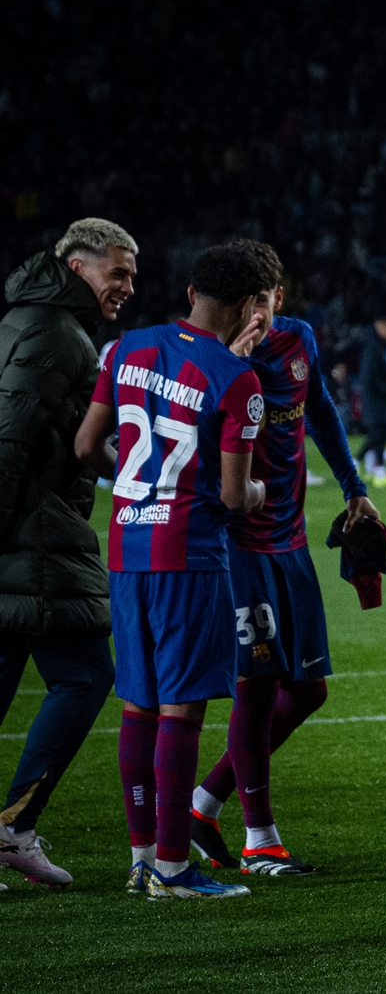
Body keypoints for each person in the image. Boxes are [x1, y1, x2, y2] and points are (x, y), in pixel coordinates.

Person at [75, 242, 273, 900]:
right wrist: (260, 494)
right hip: (189, 556)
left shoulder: (126, 347)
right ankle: (171, 865)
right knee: (181, 713)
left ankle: (140, 859)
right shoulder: (236, 379)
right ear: (249, 306)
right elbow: (232, 493)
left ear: (191, 293)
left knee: (139, 705)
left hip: (128, 549)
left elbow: (85, 446)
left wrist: (138, 484)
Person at [185, 240, 378, 877]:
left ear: (279, 299)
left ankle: (204, 802)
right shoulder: (206, 362)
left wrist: (354, 489)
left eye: (265, 304)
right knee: (258, 683)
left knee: (309, 689)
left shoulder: (298, 342)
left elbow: (318, 407)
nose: (257, 318)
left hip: (289, 541)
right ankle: (260, 839)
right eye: (247, 306)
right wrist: (226, 366)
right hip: (236, 545)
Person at [0, 218, 136, 887]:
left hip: (28, 541)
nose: (128, 288)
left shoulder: (31, 320)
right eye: (119, 273)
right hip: (33, 542)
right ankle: (12, 826)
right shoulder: (56, 335)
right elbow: (10, 438)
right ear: (78, 267)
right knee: (86, 675)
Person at [359, 314, 386, 485]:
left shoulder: (381, 349)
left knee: (378, 436)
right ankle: (379, 472)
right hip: (375, 402)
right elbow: (370, 379)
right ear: (379, 327)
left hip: (380, 401)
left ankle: (370, 468)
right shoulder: (373, 350)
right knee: (377, 435)